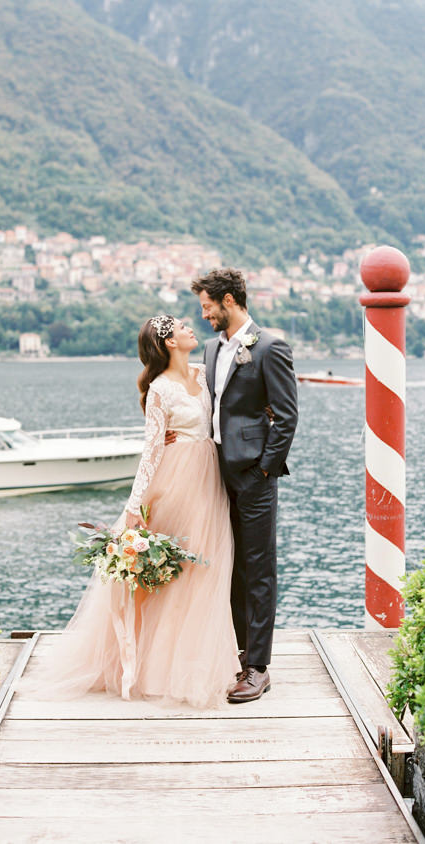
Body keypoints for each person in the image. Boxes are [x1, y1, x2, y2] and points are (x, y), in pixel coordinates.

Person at [21, 314, 240, 709]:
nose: (191, 327)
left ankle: (192, 664)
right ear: (168, 342)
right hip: (176, 483)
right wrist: (135, 505)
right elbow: (152, 450)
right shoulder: (159, 389)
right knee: (176, 575)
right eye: (181, 327)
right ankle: (157, 670)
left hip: (210, 480)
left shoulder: (203, 373)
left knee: (205, 572)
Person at [190, 268, 298, 703]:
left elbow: (287, 416)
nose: (204, 315)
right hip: (217, 473)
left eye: (208, 306)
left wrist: (265, 469)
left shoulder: (270, 347)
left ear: (230, 300)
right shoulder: (215, 348)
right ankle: (240, 654)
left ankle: (258, 667)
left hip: (254, 474)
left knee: (258, 569)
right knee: (231, 565)